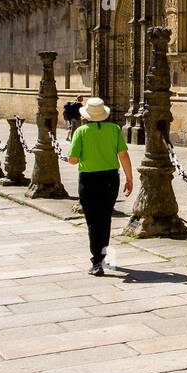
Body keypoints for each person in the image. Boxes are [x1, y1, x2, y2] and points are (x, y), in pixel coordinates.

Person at [66, 98, 133, 276]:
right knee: (105, 219)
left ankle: (97, 261)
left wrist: (75, 156)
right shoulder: (115, 130)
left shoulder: (80, 132)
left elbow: (73, 160)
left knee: (92, 221)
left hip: (88, 180)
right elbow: (124, 155)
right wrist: (129, 178)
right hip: (110, 179)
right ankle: (102, 256)